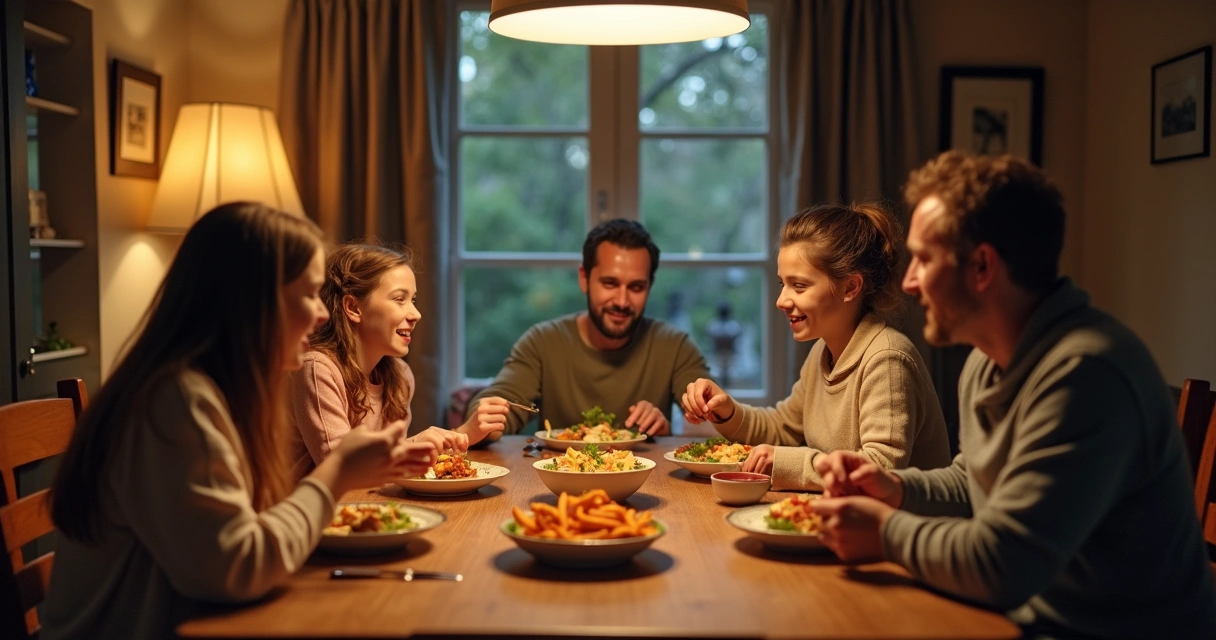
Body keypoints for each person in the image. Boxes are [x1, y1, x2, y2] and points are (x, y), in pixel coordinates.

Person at [811, 151, 1216, 638]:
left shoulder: (1085, 374)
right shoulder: (987, 359)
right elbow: (976, 483)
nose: (909, 282)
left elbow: (1003, 565)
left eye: (924, 258)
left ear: (982, 266)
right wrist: (893, 488)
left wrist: (882, 531)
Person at [42, 203, 438, 639]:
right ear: (253, 300)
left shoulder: (221, 392)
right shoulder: (174, 401)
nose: (323, 314)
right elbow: (235, 572)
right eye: (307, 294)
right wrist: (337, 472)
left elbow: (250, 527)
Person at [682, 203, 950, 491]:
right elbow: (783, 427)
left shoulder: (886, 359)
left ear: (850, 288)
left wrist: (785, 462)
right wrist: (727, 411)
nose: (781, 301)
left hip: (901, 532)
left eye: (799, 286)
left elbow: (880, 469)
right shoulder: (823, 352)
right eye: (782, 284)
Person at [467, 218, 710, 436]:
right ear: (584, 278)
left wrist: (665, 434)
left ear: (650, 285)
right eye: (609, 283)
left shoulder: (675, 346)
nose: (622, 301)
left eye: (636, 287)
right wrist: (482, 419)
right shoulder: (543, 342)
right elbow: (493, 406)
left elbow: (715, 420)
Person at [288, 243, 506, 477]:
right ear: (353, 307)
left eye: (412, 300)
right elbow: (339, 467)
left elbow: (388, 468)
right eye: (399, 299)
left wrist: (464, 434)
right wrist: (412, 446)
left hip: (371, 506)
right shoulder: (317, 370)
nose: (416, 314)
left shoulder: (399, 376)